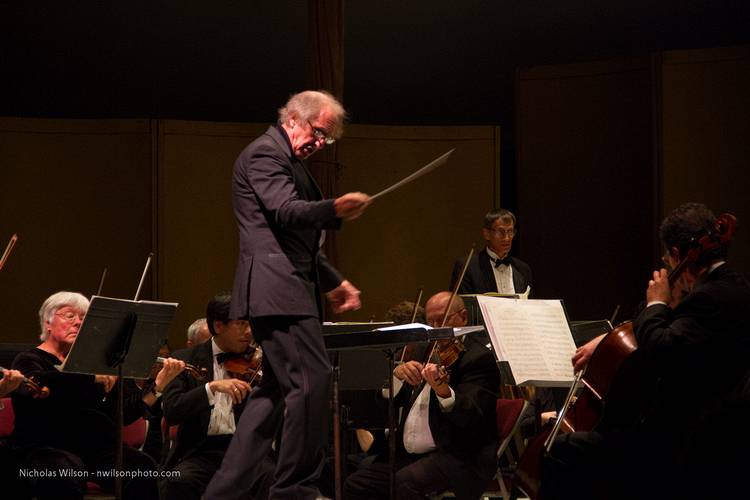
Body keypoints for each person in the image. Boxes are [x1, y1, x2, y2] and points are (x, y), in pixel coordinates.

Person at [204, 90, 371, 500]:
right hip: (278, 291)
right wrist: (333, 208)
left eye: (327, 140)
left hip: (284, 286)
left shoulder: (287, 159)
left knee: (274, 393)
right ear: (294, 118)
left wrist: (334, 281)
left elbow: (296, 238)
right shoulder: (265, 154)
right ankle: (293, 489)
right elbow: (285, 211)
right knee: (312, 382)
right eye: (319, 132)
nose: (320, 144)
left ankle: (222, 494)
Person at [543, 203, 750, 500]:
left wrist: (656, 303)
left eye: (667, 258)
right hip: (714, 436)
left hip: (685, 445)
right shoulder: (733, 287)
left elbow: (662, 350)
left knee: (563, 450)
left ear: (678, 255)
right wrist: (610, 338)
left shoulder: (709, 297)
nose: (667, 266)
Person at [10, 291, 184, 500]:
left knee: (141, 468)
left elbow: (123, 414)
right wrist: (91, 378)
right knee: (62, 474)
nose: (77, 323)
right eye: (69, 316)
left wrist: (158, 386)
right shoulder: (29, 359)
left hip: (94, 452)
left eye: (83, 318)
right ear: (47, 322)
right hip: (45, 449)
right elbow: (39, 382)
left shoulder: (98, 365)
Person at [344, 292, 500, 499]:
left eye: (442, 320)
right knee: (357, 484)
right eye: (430, 322)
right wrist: (398, 377)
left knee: (405, 483)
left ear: (463, 317)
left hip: (460, 455)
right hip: (414, 456)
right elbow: (387, 404)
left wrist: (443, 391)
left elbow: (472, 413)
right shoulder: (422, 350)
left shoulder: (478, 357)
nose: (435, 328)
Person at [160, 293, 274, 500]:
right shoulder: (185, 359)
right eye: (241, 324)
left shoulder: (259, 361)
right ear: (219, 326)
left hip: (246, 452)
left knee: (273, 478)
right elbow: (172, 410)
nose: (249, 332)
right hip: (200, 453)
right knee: (180, 481)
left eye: (250, 324)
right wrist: (211, 388)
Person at [450, 208, 532, 295]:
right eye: (501, 232)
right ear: (486, 234)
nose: (507, 238)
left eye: (510, 231)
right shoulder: (467, 267)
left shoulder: (523, 269)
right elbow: (462, 305)